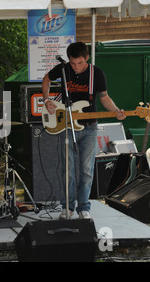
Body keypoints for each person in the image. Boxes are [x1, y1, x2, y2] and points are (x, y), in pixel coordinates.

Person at [42, 42, 126, 220]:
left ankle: (83, 207)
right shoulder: (63, 70)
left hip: (89, 128)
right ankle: (67, 207)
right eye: (72, 63)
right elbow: (46, 79)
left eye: (79, 63)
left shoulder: (97, 73)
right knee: (68, 170)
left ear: (86, 58)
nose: (76, 67)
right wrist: (46, 99)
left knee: (86, 170)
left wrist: (116, 110)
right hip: (66, 126)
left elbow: (104, 97)